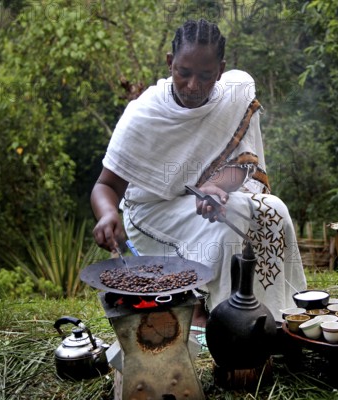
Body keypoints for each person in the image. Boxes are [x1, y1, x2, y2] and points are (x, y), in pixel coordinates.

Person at [90, 18, 306, 323]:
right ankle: (224, 322)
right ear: (169, 63)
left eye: (206, 76)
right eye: (184, 73)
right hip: (152, 212)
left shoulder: (236, 95)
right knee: (225, 225)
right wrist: (108, 214)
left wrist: (216, 187)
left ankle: (275, 320)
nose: (193, 86)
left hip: (201, 202)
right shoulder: (143, 115)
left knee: (274, 209)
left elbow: (245, 163)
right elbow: (106, 186)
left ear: (220, 69)